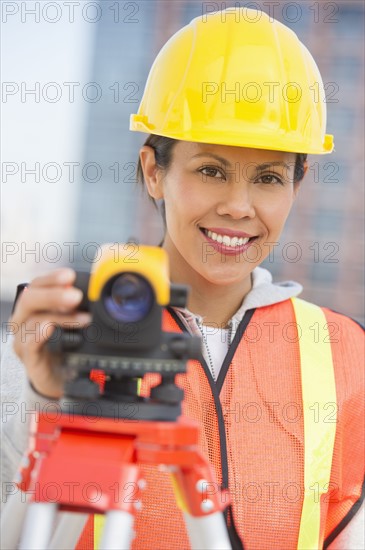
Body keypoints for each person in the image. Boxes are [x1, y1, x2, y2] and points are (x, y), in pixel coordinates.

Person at [1, 7, 364, 550]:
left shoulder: (344, 351)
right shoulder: (60, 333)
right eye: (211, 170)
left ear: (299, 181)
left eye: (268, 177)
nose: (239, 207)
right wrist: (48, 401)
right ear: (154, 169)